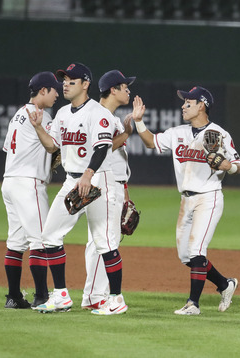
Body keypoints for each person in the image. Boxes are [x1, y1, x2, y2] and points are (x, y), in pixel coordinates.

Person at [28, 62, 127, 315]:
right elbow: (53, 147)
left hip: (97, 180)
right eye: (64, 80)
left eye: (71, 80)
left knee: (104, 241)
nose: (65, 83)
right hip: (72, 181)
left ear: (85, 84)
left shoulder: (98, 113)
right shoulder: (61, 113)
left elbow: (103, 147)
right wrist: (39, 127)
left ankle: (116, 300)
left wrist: (88, 174)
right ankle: (61, 295)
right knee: (49, 235)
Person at [133, 86, 240, 315]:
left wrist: (228, 166)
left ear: (201, 105)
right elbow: (151, 142)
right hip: (186, 200)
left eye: (188, 102)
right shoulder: (177, 132)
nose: (183, 105)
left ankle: (193, 304)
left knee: (196, 250)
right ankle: (224, 284)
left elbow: (237, 165)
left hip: (208, 197)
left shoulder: (219, 134)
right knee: (186, 256)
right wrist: (139, 122)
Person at [81, 70, 145, 310]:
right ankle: (97, 296)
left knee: (100, 240)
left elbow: (118, 162)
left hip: (113, 183)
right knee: (105, 241)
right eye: (124, 86)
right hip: (102, 182)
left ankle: (92, 296)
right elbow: (103, 149)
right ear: (113, 90)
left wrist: (125, 192)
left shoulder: (110, 117)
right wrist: (128, 133)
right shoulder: (99, 115)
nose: (128, 90)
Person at [1, 71, 61, 309]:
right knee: (40, 240)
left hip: (10, 181)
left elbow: (11, 148)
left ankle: (14, 297)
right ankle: (42, 296)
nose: (58, 93)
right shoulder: (41, 115)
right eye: (54, 89)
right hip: (29, 183)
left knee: (16, 241)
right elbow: (53, 145)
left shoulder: (18, 114)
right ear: (43, 91)